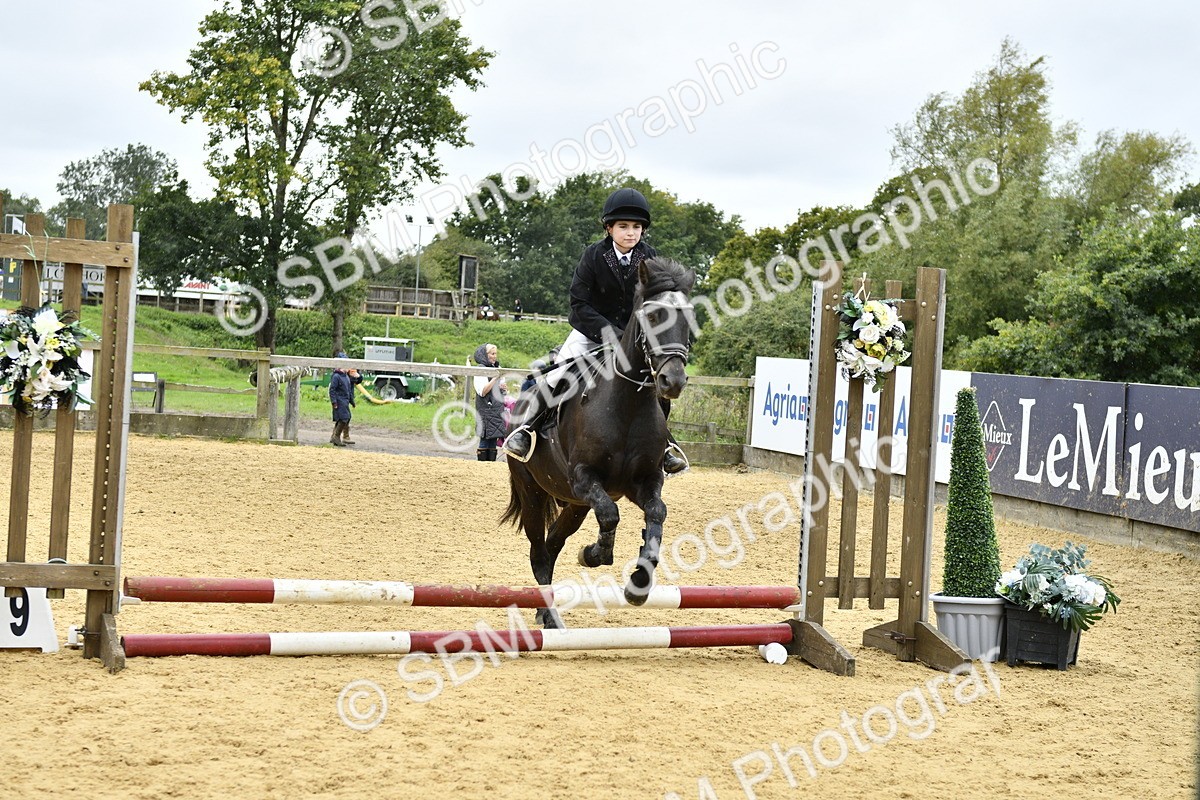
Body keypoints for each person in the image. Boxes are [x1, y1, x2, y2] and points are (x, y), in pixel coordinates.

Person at [503, 187, 688, 474]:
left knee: (655, 383)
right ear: (609, 228)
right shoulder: (593, 256)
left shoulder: (650, 258)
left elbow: (656, 303)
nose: (631, 233)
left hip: (634, 337)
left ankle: (664, 446)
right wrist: (609, 333)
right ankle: (528, 430)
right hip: (590, 333)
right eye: (624, 226)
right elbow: (579, 302)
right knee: (555, 375)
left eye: (636, 227)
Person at [472, 343, 507, 461]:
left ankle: (490, 465)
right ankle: (481, 466)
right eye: (492, 354)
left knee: (494, 439)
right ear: (485, 355)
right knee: (485, 439)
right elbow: (483, 391)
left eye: (495, 353)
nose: (494, 356)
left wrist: (502, 388)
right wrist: (495, 378)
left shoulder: (496, 368)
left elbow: (497, 390)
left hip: (496, 409)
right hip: (486, 409)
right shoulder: (480, 370)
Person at [329, 352, 356, 447]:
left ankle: (335, 437)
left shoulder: (346, 376)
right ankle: (336, 437)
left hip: (345, 401)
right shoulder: (336, 376)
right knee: (343, 418)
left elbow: (349, 390)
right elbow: (332, 390)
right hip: (339, 401)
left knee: (345, 418)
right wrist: (334, 402)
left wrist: (352, 401)